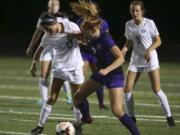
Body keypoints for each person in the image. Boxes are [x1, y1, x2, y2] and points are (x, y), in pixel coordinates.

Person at [71, 1, 141, 135]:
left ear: (93, 29)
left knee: (117, 111)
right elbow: (83, 37)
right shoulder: (91, 38)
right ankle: (86, 118)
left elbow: (121, 58)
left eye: (86, 33)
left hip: (114, 75)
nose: (85, 37)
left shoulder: (105, 38)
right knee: (78, 96)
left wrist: (106, 70)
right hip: (100, 74)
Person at [30, 12, 92, 135]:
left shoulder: (71, 26)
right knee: (51, 98)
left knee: (77, 99)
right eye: (45, 29)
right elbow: (40, 49)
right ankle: (40, 126)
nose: (47, 31)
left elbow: (84, 41)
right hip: (59, 69)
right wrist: (34, 63)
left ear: (55, 23)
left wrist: (79, 35)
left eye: (48, 28)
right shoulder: (47, 36)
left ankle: (78, 126)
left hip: (75, 68)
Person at [122, 0, 175, 127]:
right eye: (132, 11)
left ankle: (169, 116)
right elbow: (129, 41)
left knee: (156, 89)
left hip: (150, 59)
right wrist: (124, 49)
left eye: (137, 11)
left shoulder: (149, 23)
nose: (134, 13)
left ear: (142, 11)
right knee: (127, 90)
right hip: (135, 60)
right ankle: (131, 118)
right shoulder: (128, 24)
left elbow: (158, 41)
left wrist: (149, 50)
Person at [26, 0, 72, 105]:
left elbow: (69, 31)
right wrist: (31, 46)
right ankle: (43, 98)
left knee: (61, 72)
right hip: (47, 47)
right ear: (48, 6)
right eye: (52, 4)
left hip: (60, 49)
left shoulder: (64, 17)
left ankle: (69, 95)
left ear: (59, 6)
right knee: (43, 74)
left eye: (56, 4)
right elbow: (38, 32)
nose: (54, 6)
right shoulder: (44, 17)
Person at [75, 2, 108, 110]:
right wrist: (81, 42)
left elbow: (105, 39)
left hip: (95, 54)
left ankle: (101, 103)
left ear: (97, 11)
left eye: (94, 9)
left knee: (98, 76)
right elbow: (76, 38)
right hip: (84, 52)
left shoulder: (102, 23)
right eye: (90, 9)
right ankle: (79, 101)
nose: (92, 11)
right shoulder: (81, 21)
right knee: (80, 77)